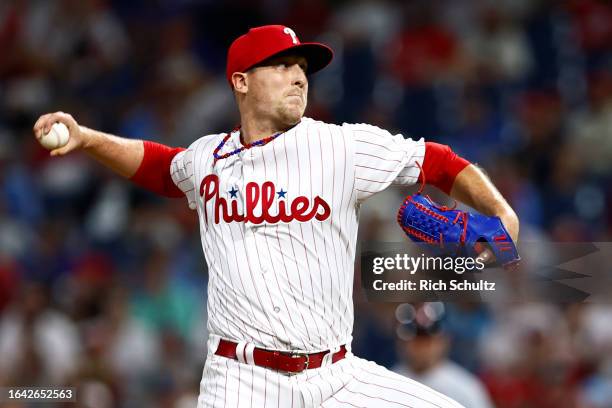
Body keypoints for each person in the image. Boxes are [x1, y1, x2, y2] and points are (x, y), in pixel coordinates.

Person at [34, 25, 519, 407]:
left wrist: (499, 211)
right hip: (242, 382)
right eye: (282, 65)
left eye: (302, 67)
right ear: (241, 82)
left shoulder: (340, 146)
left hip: (337, 378)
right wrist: (90, 139)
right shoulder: (208, 158)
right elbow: (164, 168)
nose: (299, 75)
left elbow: (435, 160)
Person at [393, 304, 494, 408]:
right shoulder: (390, 382)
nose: (421, 348)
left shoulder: (465, 388)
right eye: (415, 340)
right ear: (400, 343)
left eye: (427, 340)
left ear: (444, 341)